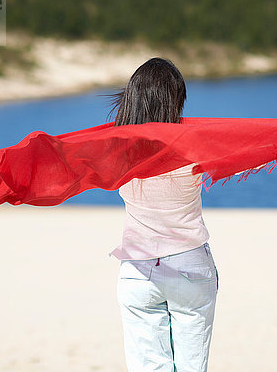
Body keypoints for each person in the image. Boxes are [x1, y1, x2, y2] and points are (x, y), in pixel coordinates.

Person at [108, 57, 219, 372]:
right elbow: (248, 143)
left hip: (137, 270)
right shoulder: (195, 145)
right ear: (176, 101)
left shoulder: (115, 148)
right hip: (189, 267)